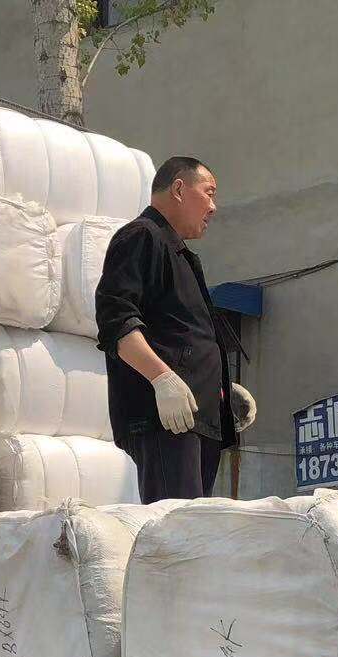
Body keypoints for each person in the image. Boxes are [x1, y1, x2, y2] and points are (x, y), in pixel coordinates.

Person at [95, 156, 256, 503]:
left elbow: (180, 335)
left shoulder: (179, 254)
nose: (213, 207)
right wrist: (161, 378)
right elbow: (115, 320)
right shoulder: (141, 237)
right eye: (209, 192)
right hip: (165, 418)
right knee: (176, 526)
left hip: (195, 416)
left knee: (195, 526)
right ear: (179, 189)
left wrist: (218, 387)